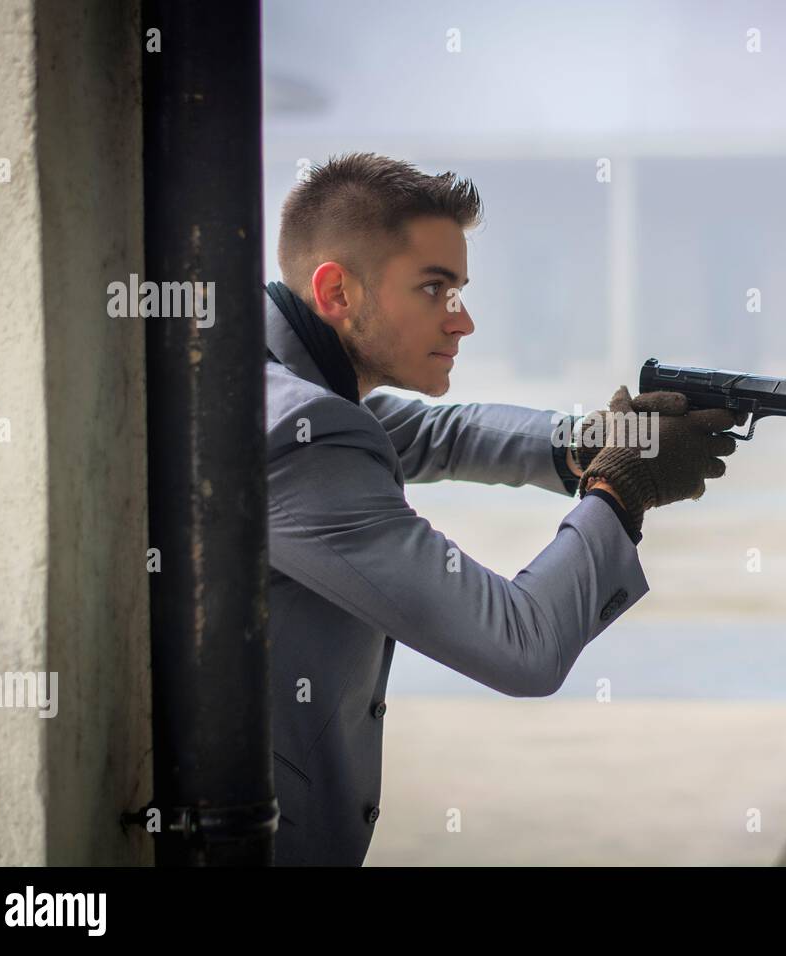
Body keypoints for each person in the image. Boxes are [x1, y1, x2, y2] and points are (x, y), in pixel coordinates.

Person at [264, 152, 741, 865]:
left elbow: (431, 431)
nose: (464, 322)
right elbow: (523, 647)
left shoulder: (271, 377)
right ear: (337, 291)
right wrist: (620, 489)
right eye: (435, 289)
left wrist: (593, 441)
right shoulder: (302, 439)